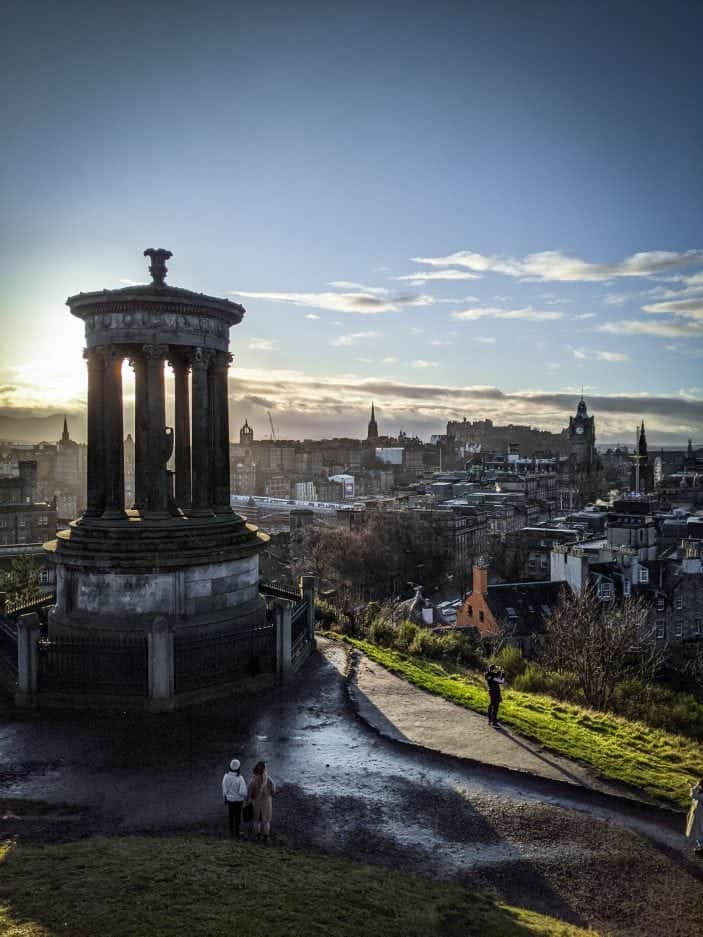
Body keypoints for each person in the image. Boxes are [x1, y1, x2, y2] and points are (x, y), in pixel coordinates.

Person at [248, 760, 276, 842]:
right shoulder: (269, 779)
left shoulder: (253, 779)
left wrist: (250, 798)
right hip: (267, 803)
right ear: (264, 769)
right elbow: (273, 790)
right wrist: (270, 794)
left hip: (257, 803)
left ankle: (257, 836)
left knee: (257, 821)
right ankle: (266, 837)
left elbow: (249, 791)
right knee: (266, 821)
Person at [222, 758, 247, 838]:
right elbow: (242, 792)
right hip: (239, 801)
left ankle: (231, 832)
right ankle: (237, 832)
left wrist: (225, 798)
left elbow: (224, 790)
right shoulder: (240, 778)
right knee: (237, 816)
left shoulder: (225, 777)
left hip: (230, 800)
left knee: (231, 815)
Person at [686, 778, 703, 855]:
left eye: (699, 784)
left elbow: (693, 795)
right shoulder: (700, 792)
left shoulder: (701, 794)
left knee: (699, 830)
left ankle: (701, 848)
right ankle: (701, 846)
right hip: (698, 814)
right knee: (699, 830)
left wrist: (693, 786)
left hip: (700, 815)